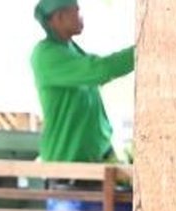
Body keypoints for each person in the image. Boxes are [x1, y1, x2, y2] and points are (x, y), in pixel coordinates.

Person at [30, 0, 135, 164]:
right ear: (58, 17)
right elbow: (101, 70)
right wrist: (142, 51)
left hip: (99, 154)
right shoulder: (46, 54)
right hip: (67, 161)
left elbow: (99, 72)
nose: (81, 17)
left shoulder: (71, 48)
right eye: (77, 11)